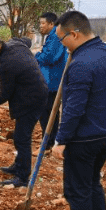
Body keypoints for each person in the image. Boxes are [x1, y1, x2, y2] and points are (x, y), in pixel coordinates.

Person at [52, 11, 106, 210]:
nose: (62, 44)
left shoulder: (81, 64)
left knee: (78, 190)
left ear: (74, 34)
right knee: (93, 183)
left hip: (84, 138)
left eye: (62, 39)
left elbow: (74, 108)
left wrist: (61, 140)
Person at [0, 34, 48, 187]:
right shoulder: (16, 43)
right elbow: (27, 41)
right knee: (19, 136)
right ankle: (18, 165)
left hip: (31, 100)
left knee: (22, 139)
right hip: (36, 91)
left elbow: (6, 94)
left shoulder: (6, 65)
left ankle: (22, 178)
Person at [34, 12, 69, 155]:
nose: (40, 26)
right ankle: (49, 141)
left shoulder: (55, 36)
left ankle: (47, 144)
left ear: (51, 24)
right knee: (51, 112)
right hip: (52, 80)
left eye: (43, 23)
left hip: (52, 81)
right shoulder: (53, 36)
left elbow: (49, 57)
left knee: (46, 113)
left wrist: (37, 55)